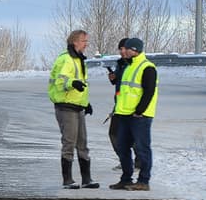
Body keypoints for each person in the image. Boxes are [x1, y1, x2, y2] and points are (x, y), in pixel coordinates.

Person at [47, 29, 99, 189]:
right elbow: (60, 82)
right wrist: (72, 83)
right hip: (65, 107)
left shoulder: (78, 60)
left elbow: (81, 86)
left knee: (82, 143)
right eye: (84, 41)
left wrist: (86, 103)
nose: (86, 44)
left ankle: (86, 179)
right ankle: (67, 179)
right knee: (69, 142)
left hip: (77, 106)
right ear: (75, 42)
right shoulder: (66, 59)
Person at [109, 37, 158, 191]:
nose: (124, 51)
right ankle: (126, 179)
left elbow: (149, 92)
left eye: (128, 49)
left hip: (139, 116)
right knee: (122, 147)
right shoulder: (128, 66)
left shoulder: (147, 67)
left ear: (135, 50)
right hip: (124, 114)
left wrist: (139, 111)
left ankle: (144, 181)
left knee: (143, 148)